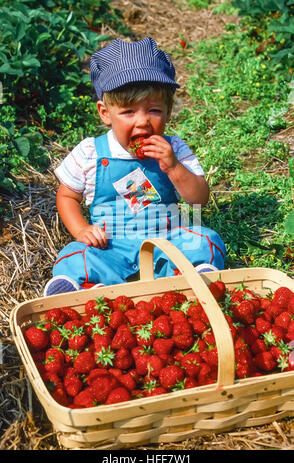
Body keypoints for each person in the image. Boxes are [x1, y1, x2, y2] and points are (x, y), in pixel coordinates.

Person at [44, 37, 226, 296]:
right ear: (105, 113)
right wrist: (82, 229)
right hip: (110, 246)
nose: (142, 122)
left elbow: (200, 198)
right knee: (73, 255)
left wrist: (174, 166)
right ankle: (87, 289)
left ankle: (190, 277)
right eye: (129, 112)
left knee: (206, 240)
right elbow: (67, 196)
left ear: (168, 111)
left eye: (153, 110)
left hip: (167, 242)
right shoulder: (90, 152)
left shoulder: (174, 148)